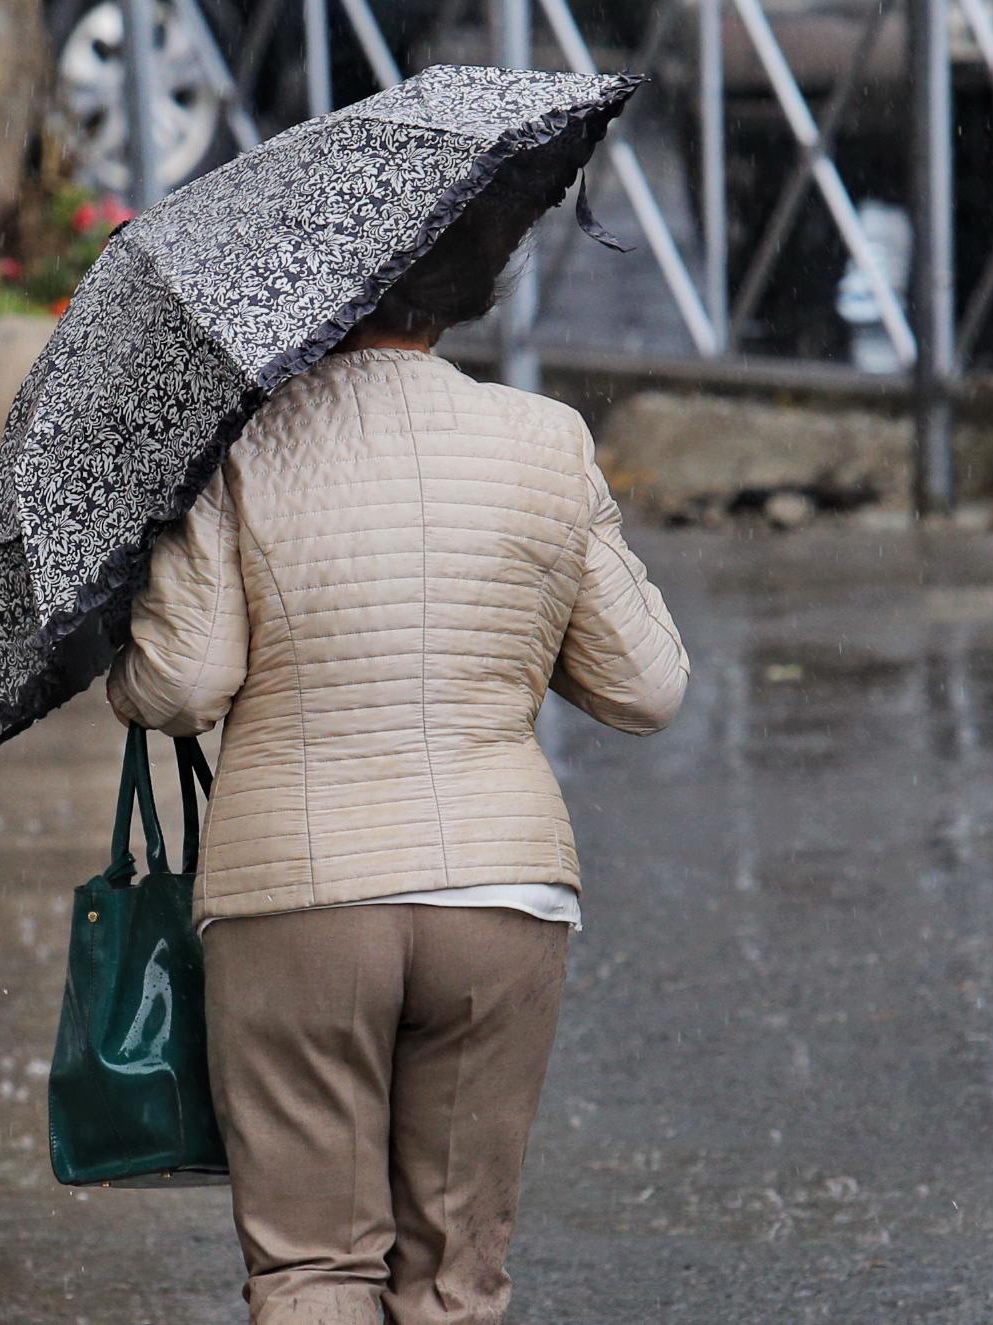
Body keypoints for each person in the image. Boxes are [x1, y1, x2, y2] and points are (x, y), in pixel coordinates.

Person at [104, 132, 692, 1325]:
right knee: (455, 1278)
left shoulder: (240, 445)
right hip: (499, 890)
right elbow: (645, 685)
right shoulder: (546, 441)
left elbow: (181, 687)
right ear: (469, 283)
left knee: (314, 1265)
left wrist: (136, 637)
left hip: (299, 894)